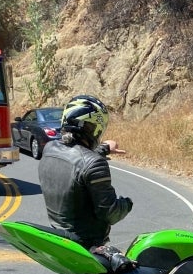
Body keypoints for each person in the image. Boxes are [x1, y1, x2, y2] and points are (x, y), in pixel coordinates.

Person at [38, 94, 131, 251]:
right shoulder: (94, 163)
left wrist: (104, 148)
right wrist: (127, 204)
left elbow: (77, 160)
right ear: (91, 128)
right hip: (87, 247)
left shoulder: (49, 149)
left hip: (61, 241)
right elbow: (110, 213)